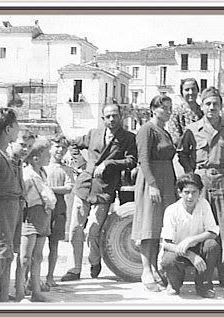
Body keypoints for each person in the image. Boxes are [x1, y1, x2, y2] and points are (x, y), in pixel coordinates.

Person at [178, 87, 224, 289]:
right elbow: (182, 153)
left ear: (221, 106)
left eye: (215, 103)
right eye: (208, 103)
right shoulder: (192, 130)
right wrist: (194, 174)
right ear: (202, 105)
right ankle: (202, 274)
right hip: (201, 183)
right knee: (202, 226)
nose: (212, 107)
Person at [61, 104, 137, 282]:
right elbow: (74, 144)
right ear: (103, 118)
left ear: (121, 117)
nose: (112, 119)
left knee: (92, 231)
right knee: (74, 230)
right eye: (108, 116)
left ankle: (95, 262)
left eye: (115, 115)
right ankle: (75, 269)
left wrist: (109, 165)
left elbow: (131, 160)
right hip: (84, 186)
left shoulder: (128, 138)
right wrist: (81, 165)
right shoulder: (93, 134)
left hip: (104, 189)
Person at [131, 95, 177, 292]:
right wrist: (152, 184)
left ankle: (156, 268)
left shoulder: (164, 131)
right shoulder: (146, 130)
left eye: (170, 108)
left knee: (160, 227)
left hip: (166, 179)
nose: (168, 111)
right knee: (148, 226)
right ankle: (146, 270)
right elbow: (143, 159)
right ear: (153, 109)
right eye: (164, 108)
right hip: (152, 179)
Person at [160, 173, 221, 298]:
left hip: (198, 247)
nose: (190, 196)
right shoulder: (172, 210)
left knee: (212, 245)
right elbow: (166, 243)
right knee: (168, 260)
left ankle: (203, 285)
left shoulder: (203, 205)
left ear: (200, 192)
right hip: (178, 250)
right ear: (179, 192)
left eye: (194, 192)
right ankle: (174, 284)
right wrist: (191, 255)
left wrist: (191, 240)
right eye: (186, 192)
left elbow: (213, 232)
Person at [0, 107, 21, 302]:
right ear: (8, 129)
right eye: (16, 125)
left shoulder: (4, 155)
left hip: (6, 219)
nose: (18, 129)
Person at [20, 137, 57, 302]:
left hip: (43, 216)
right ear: (35, 158)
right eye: (46, 154)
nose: (50, 156)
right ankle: (20, 293)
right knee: (25, 258)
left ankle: (35, 291)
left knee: (38, 256)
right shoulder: (27, 175)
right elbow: (22, 198)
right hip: (31, 217)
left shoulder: (42, 172)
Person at [5, 128, 36, 302]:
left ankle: (5, 295)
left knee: (10, 255)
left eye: (29, 147)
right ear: (12, 142)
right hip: (4, 214)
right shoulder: (5, 160)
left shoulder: (18, 163)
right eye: (23, 145)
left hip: (16, 213)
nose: (26, 150)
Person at [44, 135, 74, 288]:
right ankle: (31, 278)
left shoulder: (66, 169)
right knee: (36, 245)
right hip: (42, 209)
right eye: (57, 146)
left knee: (54, 245)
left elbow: (68, 188)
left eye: (63, 147)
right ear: (50, 147)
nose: (60, 150)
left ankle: (50, 276)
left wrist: (49, 189)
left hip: (59, 209)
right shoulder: (43, 167)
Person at [165, 78, 203, 146]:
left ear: (198, 91)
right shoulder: (176, 113)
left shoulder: (203, 112)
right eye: (187, 90)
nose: (191, 92)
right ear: (182, 92)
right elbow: (176, 138)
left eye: (193, 89)